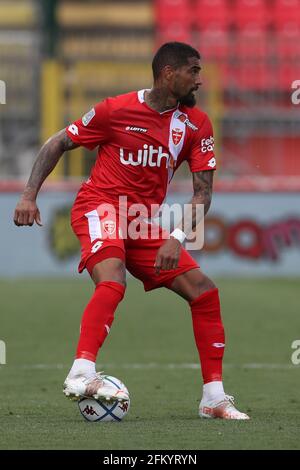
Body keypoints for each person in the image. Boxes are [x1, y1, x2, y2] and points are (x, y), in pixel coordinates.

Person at [14, 42, 249, 419]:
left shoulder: (195, 125)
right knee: (113, 279)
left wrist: (176, 237)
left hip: (140, 221)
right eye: (193, 71)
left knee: (204, 291)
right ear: (168, 74)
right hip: (99, 205)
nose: (200, 81)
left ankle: (213, 398)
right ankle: (82, 371)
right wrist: (29, 196)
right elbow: (58, 142)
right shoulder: (115, 110)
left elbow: (203, 193)